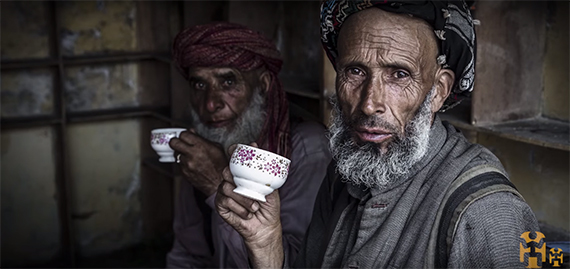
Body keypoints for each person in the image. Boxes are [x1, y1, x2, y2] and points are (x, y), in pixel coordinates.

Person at [215, 1, 541, 268]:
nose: (369, 104)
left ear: (438, 90)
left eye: (399, 75)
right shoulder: (347, 168)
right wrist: (267, 243)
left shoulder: (487, 211)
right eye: (355, 71)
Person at [165, 22, 331, 268]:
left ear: (262, 86)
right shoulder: (203, 147)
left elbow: (297, 263)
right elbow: (187, 254)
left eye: (228, 82)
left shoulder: (308, 149)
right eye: (199, 85)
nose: (210, 104)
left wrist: (215, 184)